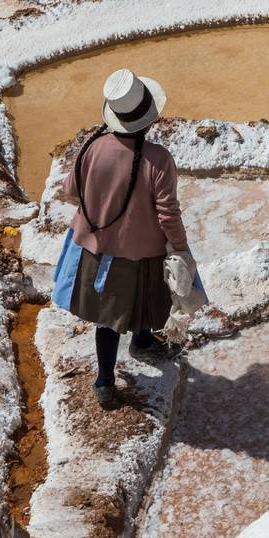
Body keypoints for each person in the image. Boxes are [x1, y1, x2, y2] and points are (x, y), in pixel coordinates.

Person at [51, 68, 194, 410]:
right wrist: (181, 248)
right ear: (148, 119)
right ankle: (139, 345)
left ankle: (105, 380)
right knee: (144, 300)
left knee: (109, 318)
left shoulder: (91, 146)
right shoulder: (158, 160)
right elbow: (168, 215)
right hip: (142, 252)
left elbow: (70, 190)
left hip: (96, 251)